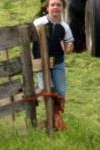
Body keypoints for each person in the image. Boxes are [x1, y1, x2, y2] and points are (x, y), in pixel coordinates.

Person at [33, 0, 74, 130]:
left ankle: (55, 116)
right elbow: (29, 41)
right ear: (47, 7)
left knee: (60, 91)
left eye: (58, 5)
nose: (55, 8)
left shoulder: (64, 26)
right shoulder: (38, 23)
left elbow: (69, 42)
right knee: (47, 90)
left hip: (58, 63)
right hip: (41, 63)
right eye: (53, 5)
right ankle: (54, 120)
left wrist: (69, 47)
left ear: (63, 8)